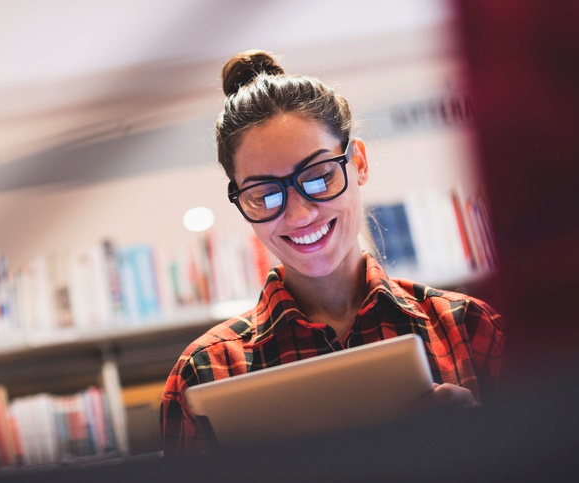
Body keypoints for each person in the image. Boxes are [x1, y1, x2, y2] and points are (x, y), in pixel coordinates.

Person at [160, 50, 505, 456]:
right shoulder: (203, 374)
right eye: (264, 194)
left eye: (320, 175)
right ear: (240, 200)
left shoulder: (470, 328)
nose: (300, 213)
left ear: (357, 161)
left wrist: (487, 444)